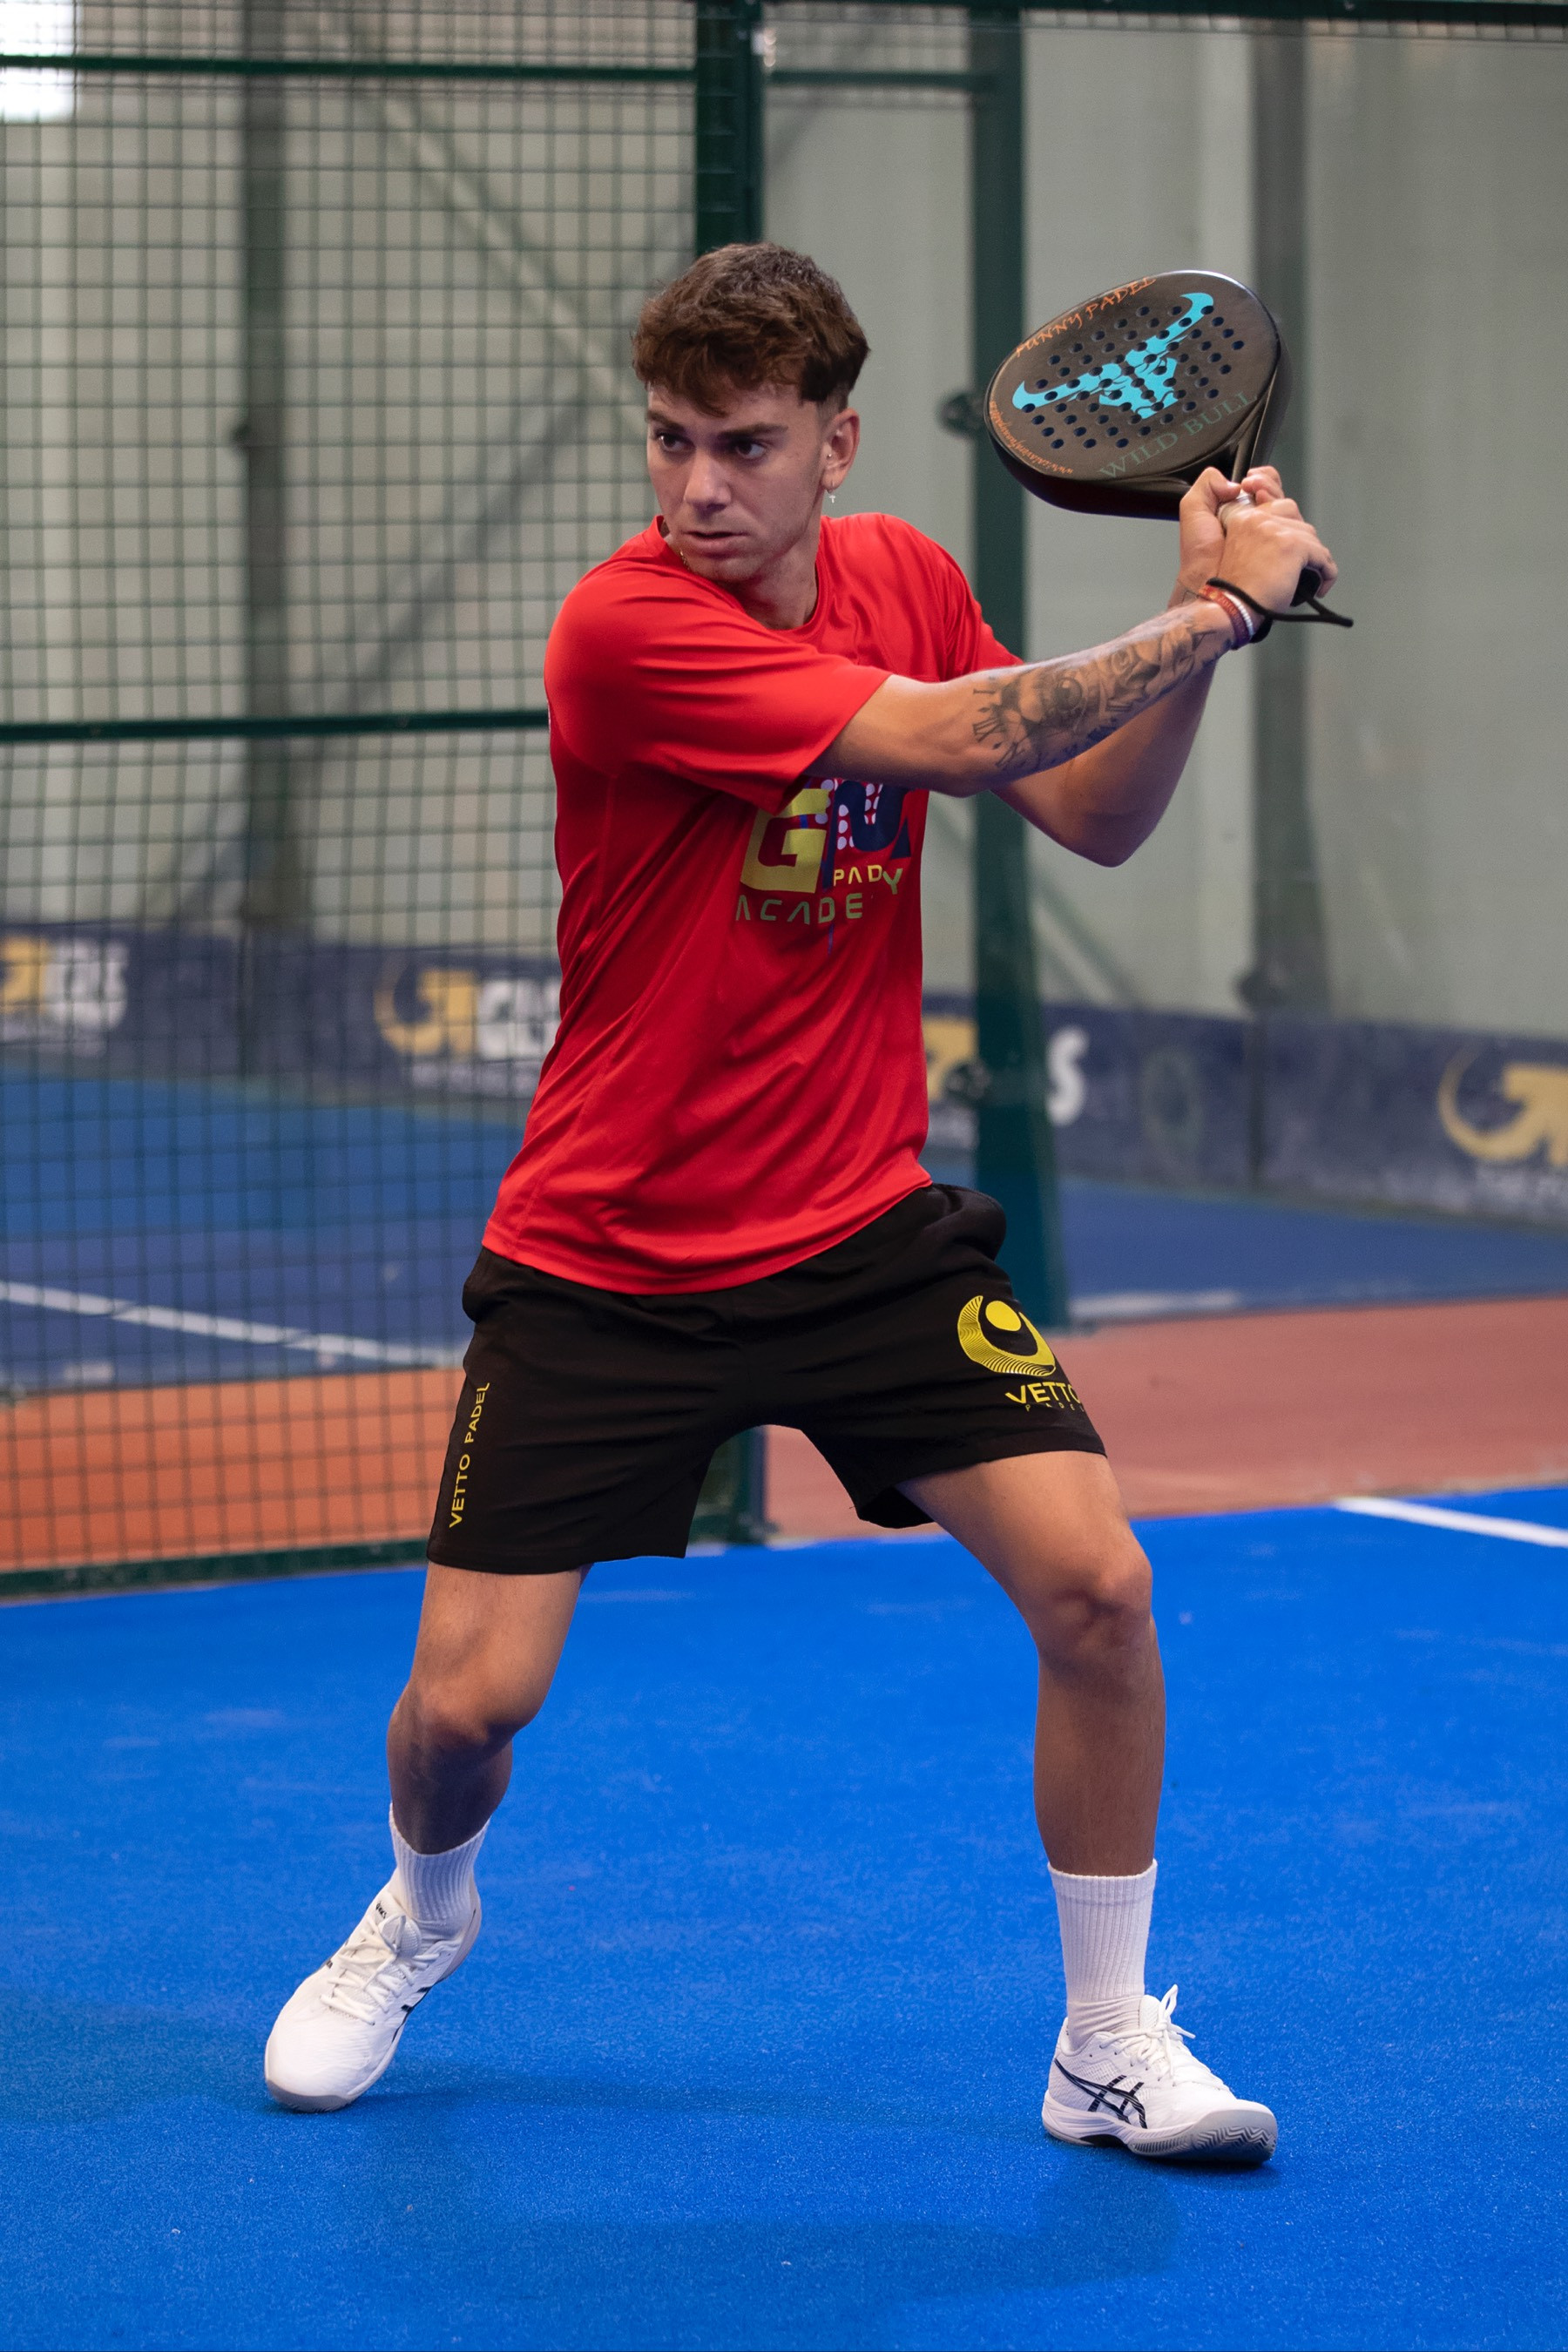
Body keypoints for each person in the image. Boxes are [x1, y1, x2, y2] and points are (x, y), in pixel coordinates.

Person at [264, 243, 1335, 2161]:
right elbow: (957, 738)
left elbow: (1091, 808)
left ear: (835, 444)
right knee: (469, 1710)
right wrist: (1214, 616)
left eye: (745, 445)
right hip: (608, 1258)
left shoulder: (903, 574)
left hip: (858, 1231)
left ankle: (1104, 2044)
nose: (699, 487)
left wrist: (1203, 630)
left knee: (1100, 1590)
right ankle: (420, 1914)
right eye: (670, 441)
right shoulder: (626, 631)